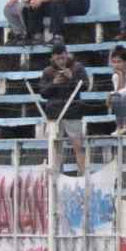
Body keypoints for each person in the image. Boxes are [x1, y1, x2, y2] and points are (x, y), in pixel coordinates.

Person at [40, 42, 87, 173]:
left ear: (67, 54)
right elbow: (43, 93)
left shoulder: (77, 67)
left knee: (78, 146)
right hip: (54, 113)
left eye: (63, 57)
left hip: (73, 111)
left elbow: (85, 86)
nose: (61, 61)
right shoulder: (48, 71)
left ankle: (83, 175)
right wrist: (54, 83)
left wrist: (72, 78)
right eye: (57, 58)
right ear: (53, 58)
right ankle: (55, 176)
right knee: (55, 147)